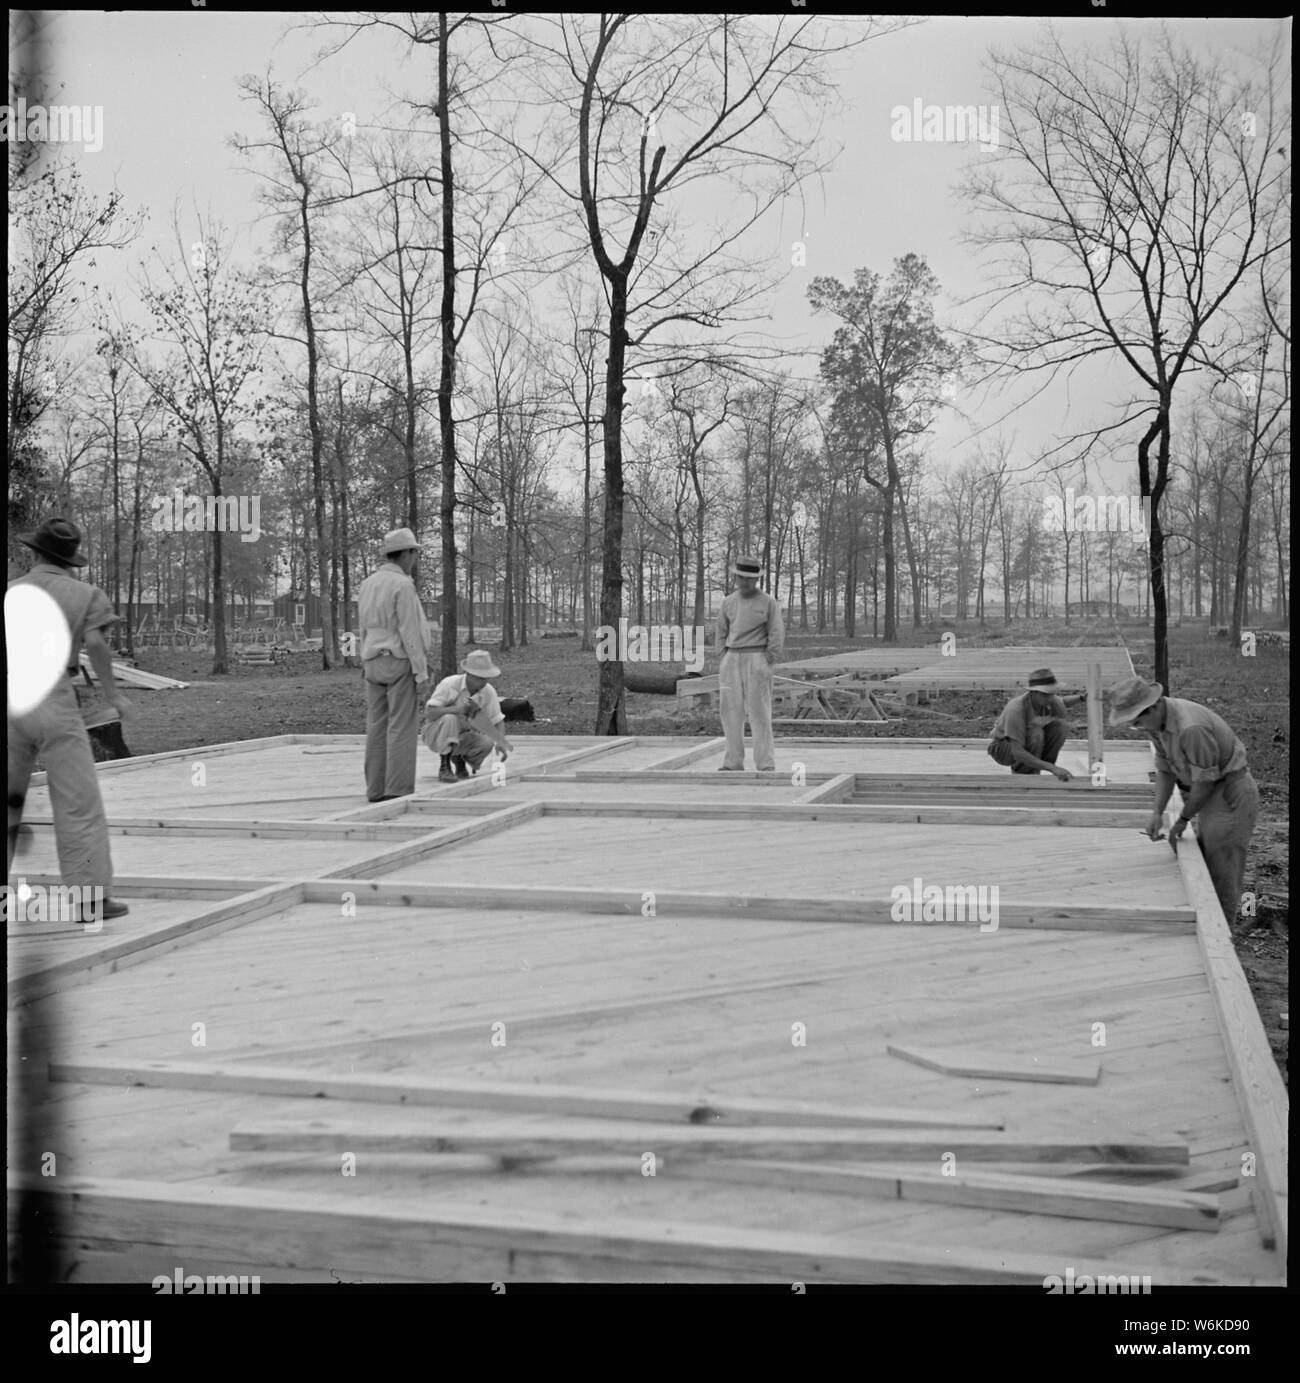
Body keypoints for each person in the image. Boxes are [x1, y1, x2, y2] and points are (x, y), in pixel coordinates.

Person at [7, 517, 134, 925]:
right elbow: (95, 644)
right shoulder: (86, 594)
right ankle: (90, 900)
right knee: (78, 804)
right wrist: (113, 695)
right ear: (70, 559)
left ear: (35, 552)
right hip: (54, 700)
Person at [1108, 676, 1259, 926]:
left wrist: (1182, 820)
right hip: (1211, 792)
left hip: (1229, 793)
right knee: (1209, 855)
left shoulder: (1191, 728)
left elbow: (1205, 782)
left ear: (1153, 707)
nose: (1139, 727)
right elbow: (1165, 771)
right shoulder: (1158, 725)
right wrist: (1157, 812)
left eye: (1138, 721)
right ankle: (1212, 920)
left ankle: (1222, 934)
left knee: (1223, 866)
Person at [357, 528, 430, 801]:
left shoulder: (368, 584)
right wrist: (420, 673)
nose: (415, 560)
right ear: (406, 553)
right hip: (398, 661)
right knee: (401, 726)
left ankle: (375, 789)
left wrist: (365, 660)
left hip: (372, 660)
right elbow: (410, 632)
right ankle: (397, 789)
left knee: (376, 725)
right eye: (414, 553)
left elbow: (363, 627)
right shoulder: (402, 585)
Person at [716, 554, 784, 772]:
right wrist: (723, 656)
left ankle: (765, 763)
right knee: (730, 711)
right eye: (741, 577)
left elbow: (776, 632)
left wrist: (769, 659)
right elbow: (720, 631)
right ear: (736, 577)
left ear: (756, 579)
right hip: (732, 657)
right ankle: (732, 762)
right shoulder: (728, 602)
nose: (744, 582)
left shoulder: (768, 602)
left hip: (757, 658)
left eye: (749, 578)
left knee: (760, 712)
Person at [422, 649, 512, 783]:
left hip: (463, 735)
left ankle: (459, 759)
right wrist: (457, 709)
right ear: (468, 674)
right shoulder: (450, 684)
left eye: (485, 678)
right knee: (450, 718)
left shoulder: (488, 691)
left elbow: (498, 720)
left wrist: (501, 742)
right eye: (479, 678)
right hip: (436, 733)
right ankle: (444, 766)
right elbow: (429, 713)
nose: (483, 682)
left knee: (486, 743)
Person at [987, 667, 1072, 781]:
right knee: (1036, 733)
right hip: (1004, 747)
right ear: (1034, 693)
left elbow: (1064, 702)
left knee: (1061, 727)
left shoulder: (1050, 700)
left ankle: (1036, 767)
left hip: (1029, 743)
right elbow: (1018, 752)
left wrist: (1082, 698)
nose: (1050, 698)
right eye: (1046, 694)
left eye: (1052, 694)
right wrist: (1053, 768)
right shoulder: (1016, 708)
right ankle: (1024, 777)